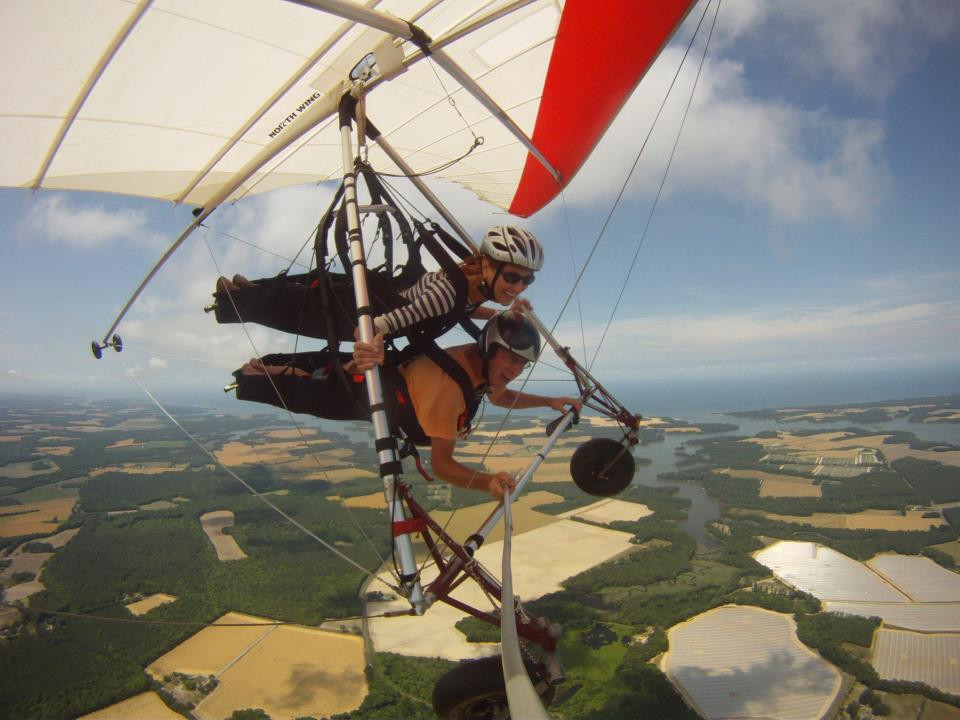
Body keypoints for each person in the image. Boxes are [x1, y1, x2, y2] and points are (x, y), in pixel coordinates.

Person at [234, 311, 581, 500]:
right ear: (491, 349)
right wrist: (487, 481)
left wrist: (549, 401)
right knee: (284, 384)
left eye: (523, 364)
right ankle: (259, 370)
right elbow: (442, 465)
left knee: (312, 368)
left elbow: (500, 395)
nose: (515, 371)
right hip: (356, 395)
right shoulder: (449, 389)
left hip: (389, 379)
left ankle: (270, 365)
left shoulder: (478, 362)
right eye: (510, 359)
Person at [213, 226, 545, 344]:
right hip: (373, 311)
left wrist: (500, 313)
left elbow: (465, 308)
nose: (519, 286)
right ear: (487, 264)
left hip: (387, 294)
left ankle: (246, 289)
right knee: (307, 296)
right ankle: (240, 295)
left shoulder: (472, 286)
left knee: (313, 287)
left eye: (527, 280)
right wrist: (369, 341)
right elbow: (389, 322)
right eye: (513, 277)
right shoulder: (447, 292)